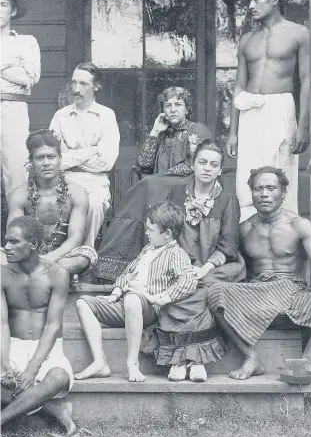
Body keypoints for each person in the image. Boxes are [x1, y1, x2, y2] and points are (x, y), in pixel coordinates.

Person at [208, 166, 311, 394]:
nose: (264, 193)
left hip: (293, 298)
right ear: (252, 193)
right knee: (215, 292)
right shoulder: (244, 229)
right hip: (257, 296)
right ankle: (251, 357)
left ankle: (306, 361)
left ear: (283, 192)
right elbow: (234, 267)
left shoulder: (298, 225)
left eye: (271, 188)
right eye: (258, 188)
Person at [75, 201, 226, 383]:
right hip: (127, 303)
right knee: (82, 303)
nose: (146, 233)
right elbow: (127, 274)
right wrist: (115, 294)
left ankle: (132, 364)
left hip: (148, 308)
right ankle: (100, 362)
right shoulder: (147, 250)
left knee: (132, 299)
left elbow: (188, 281)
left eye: (150, 230)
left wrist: (159, 298)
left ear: (168, 234)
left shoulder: (175, 254)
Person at [94, 86, 211, 281]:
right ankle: (117, 266)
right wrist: (155, 132)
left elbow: (194, 164)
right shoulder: (163, 133)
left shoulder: (197, 130)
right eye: (168, 105)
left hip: (186, 185)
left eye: (178, 105)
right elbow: (143, 165)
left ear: (187, 108)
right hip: (158, 185)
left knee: (147, 185)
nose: (173, 109)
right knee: (144, 188)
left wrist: (160, 178)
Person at [225, 0, 310, 223]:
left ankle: (285, 236)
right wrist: (233, 132)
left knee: (281, 172)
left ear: (274, 0)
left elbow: (306, 80)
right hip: (249, 109)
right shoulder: (247, 39)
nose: (251, 6)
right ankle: (249, 238)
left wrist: (303, 125)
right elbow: (239, 85)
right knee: (247, 177)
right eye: (249, 1)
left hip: (280, 108)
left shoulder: (298, 33)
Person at [1, 216, 75, 436]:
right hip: (12, 345)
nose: (6, 247)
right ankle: (53, 407)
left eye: (14, 242)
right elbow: (2, 324)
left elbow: (53, 325)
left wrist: (33, 368)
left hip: (47, 349)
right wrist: (4, 366)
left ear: (33, 244)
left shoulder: (57, 274)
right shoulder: (2, 274)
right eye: (6, 241)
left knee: (59, 377)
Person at [5, 130, 97, 284]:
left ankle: (34, 275)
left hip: (63, 256)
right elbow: (14, 237)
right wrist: (32, 258)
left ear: (60, 159)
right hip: (27, 254)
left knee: (85, 257)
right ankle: (58, 275)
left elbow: (75, 238)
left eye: (51, 157)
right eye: (40, 158)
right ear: (31, 162)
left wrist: (48, 259)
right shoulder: (18, 195)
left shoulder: (77, 193)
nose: (46, 162)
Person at [49, 62, 120, 247]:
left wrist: (70, 158)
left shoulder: (106, 116)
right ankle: (56, 252)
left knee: (96, 204)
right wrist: (91, 151)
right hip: (65, 179)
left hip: (95, 180)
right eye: (74, 83)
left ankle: (84, 253)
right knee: (49, 203)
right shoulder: (60, 116)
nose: (76, 89)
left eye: (83, 84)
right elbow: (53, 159)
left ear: (96, 86)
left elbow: (106, 162)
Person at [167, 138, 246, 286]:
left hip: (214, 267)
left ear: (220, 170)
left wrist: (204, 269)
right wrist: (183, 266)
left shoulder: (228, 200)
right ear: (193, 165)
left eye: (214, 165)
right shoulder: (176, 194)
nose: (207, 168)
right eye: (202, 162)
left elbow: (228, 245)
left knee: (208, 283)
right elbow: (168, 234)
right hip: (181, 263)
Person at [1, 0, 41, 199]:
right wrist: (9, 65)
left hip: (12, 108)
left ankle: (16, 233)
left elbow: (28, 77)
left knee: (17, 176)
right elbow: (17, 74)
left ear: (13, 10)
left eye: (2, 4)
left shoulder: (26, 42)